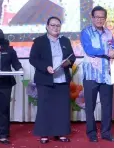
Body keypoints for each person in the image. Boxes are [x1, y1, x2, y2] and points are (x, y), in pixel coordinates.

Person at [29, 16, 76, 144]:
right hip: (45, 79)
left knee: (62, 107)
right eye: (53, 25)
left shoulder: (65, 40)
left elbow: (72, 57)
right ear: (47, 26)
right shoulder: (39, 41)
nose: (55, 28)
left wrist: (68, 63)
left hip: (62, 79)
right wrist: (46, 67)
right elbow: (33, 59)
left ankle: (61, 133)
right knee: (45, 107)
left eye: (58, 26)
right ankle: (44, 134)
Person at [80, 6, 114, 142]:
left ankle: (106, 133)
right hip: (91, 75)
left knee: (107, 105)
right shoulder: (86, 32)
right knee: (90, 106)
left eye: (102, 17)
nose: (99, 20)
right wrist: (107, 51)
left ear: (105, 19)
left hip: (107, 75)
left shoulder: (109, 32)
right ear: (92, 17)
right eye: (97, 17)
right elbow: (89, 49)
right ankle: (91, 133)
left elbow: (113, 46)